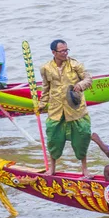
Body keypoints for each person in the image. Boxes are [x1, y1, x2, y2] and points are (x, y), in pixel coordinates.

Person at [39, 39, 92, 177]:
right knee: (53, 139)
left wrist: (81, 85)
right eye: (62, 51)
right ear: (54, 52)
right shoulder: (46, 68)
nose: (65, 53)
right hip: (56, 110)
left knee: (82, 137)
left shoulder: (75, 65)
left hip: (75, 109)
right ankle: (52, 168)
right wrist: (42, 104)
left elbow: (88, 79)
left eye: (66, 50)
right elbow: (46, 89)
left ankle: (85, 169)